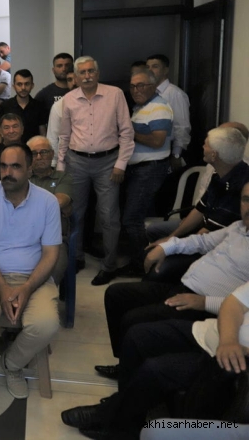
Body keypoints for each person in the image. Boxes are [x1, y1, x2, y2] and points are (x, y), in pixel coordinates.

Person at [93, 181, 249, 382]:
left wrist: (204, 302)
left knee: (133, 320)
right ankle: (125, 363)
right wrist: (166, 247)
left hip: (203, 304)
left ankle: (130, 372)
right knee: (116, 294)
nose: (248, 206)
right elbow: (201, 242)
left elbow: (242, 304)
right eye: (246, 199)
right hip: (182, 287)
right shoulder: (237, 228)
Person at [64, 278, 249, 439]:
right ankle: (126, 421)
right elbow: (234, 303)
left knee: (154, 369)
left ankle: (108, 415)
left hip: (232, 362)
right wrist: (228, 340)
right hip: (216, 334)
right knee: (137, 336)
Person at [0, 143, 62, 400]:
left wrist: (27, 288)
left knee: (46, 324)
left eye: (15, 166)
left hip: (34, 277)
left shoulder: (48, 202)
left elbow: (51, 254)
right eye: (3, 166)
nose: (7, 172)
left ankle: (12, 364)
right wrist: (2, 287)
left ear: (30, 169)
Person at [57, 56, 135, 286]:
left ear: (98, 73)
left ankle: (109, 266)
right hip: (76, 162)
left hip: (108, 163)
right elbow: (64, 135)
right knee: (75, 213)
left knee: (109, 216)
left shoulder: (115, 94)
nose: (87, 76)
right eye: (82, 72)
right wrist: (60, 166)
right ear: (76, 76)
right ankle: (76, 257)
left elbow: (126, 132)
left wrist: (121, 164)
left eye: (91, 71)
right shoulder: (69, 99)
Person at [145, 127, 249, 283]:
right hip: (205, 231)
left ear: (214, 155)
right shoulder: (219, 174)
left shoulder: (241, 185)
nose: (202, 146)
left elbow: (207, 234)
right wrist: (171, 237)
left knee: (160, 269)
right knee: (154, 231)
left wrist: (170, 245)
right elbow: (200, 209)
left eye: (206, 144)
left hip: (218, 245)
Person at [120, 69, 173, 277]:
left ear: (153, 86)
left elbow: (157, 140)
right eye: (133, 86)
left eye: (141, 85)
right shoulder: (140, 107)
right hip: (139, 169)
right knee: (137, 218)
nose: (136, 90)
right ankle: (143, 263)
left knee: (132, 219)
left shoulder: (159, 107)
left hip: (150, 169)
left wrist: (130, 133)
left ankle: (142, 266)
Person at [27, 136, 73, 284]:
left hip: (54, 239)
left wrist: (27, 205)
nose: (39, 157)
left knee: (51, 276)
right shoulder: (22, 177)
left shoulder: (63, 177)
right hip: (23, 237)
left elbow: (60, 201)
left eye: (44, 152)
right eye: (34, 153)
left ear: (52, 154)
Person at [146, 54, 191, 170]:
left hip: (167, 152)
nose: (150, 70)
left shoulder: (175, 94)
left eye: (155, 66)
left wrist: (176, 154)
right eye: (147, 67)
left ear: (165, 70)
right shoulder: (148, 92)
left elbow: (181, 127)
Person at [0, 69, 48, 142]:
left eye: (27, 84)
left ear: (32, 86)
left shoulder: (39, 106)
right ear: (14, 86)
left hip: (32, 148)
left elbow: (43, 133)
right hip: (10, 148)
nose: (23, 88)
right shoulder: (5, 106)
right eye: (19, 84)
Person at [46, 72, 77, 162]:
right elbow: (52, 137)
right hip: (67, 159)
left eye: (76, 78)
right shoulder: (59, 105)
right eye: (69, 80)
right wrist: (54, 162)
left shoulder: (94, 103)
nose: (74, 83)